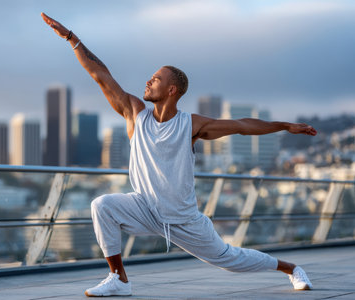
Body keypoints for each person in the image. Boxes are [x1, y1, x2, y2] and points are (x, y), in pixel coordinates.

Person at [41, 12, 316, 297]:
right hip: (145, 208)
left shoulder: (191, 124)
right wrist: (72, 39)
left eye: (155, 79)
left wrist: (284, 126)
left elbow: (242, 126)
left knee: (230, 259)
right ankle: (119, 279)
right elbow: (101, 75)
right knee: (102, 205)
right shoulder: (135, 113)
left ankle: (291, 268)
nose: (148, 82)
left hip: (183, 219)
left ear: (171, 90)